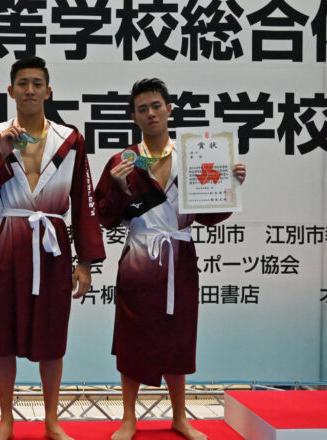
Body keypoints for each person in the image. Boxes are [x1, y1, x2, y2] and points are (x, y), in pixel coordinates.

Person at [94, 78, 246, 440]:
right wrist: (119, 189)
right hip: (138, 258)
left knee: (179, 336)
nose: (150, 113)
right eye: (142, 108)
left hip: (180, 257)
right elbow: (104, 217)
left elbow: (209, 215)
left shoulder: (194, 156)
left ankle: (180, 417)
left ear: (169, 110)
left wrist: (231, 186)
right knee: (132, 337)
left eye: (156, 106)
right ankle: (128, 419)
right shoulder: (122, 162)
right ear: (133, 116)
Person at [0, 56, 106, 440]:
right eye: (23, 83)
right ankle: (6, 420)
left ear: (48, 91)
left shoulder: (70, 139)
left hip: (53, 244)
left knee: (52, 336)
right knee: (3, 337)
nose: (30, 90)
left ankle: (51, 420)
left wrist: (85, 262)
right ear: (11, 91)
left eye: (37, 83)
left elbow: (83, 201)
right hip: (10, 240)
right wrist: (1, 155)